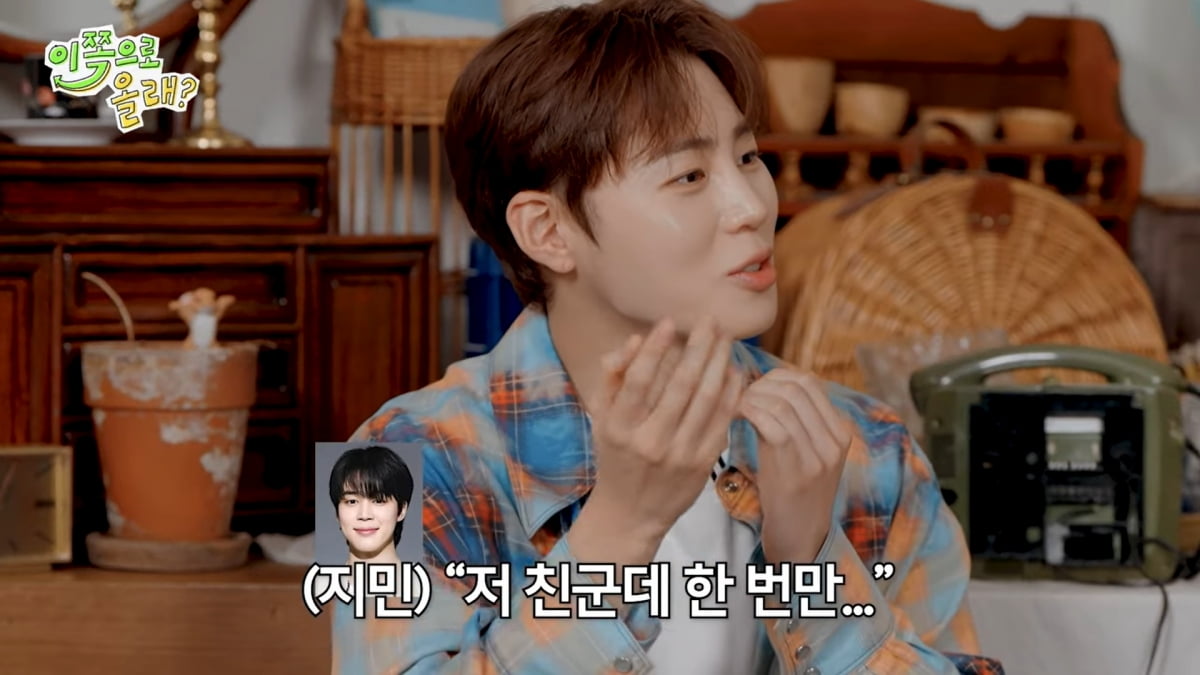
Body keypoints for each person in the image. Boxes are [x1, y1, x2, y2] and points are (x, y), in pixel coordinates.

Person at [338, 1, 1004, 673]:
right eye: (689, 176)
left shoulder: (871, 450)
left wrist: (809, 567)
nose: (753, 206)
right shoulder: (398, 465)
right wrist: (621, 527)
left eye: (748, 155)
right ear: (548, 231)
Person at [328, 445, 414, 565]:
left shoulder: (423, 577)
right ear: (337, 513)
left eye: (378, 500)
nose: (364, 515)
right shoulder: (319, 577)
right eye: (352, 501)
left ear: (402, 510)